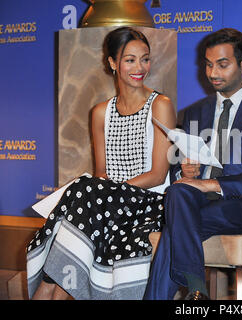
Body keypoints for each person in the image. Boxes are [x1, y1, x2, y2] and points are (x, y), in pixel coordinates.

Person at [26, 27, 176, 300]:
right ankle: (55, 290)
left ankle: (46, 287)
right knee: (87, 195)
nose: (140, 67)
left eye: (145, 58)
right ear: (112, 63)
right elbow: (101, 173)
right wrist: (106, 194)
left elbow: (158, 174)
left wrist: (109, 194)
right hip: (104, 204)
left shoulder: (160, 105)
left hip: (149, 203)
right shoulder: (99, 112)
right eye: (130, 60)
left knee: (86, 192)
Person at [144, 28, 242, 300]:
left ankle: (196, 288)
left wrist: (211, 183)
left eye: (223, 64)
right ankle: (197, 289)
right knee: (178, 190)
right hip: (200, 201)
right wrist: (184, 170)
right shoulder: (196, 111)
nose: (213, 73)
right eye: (208, 65)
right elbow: (179, 165)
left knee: (175, 228)